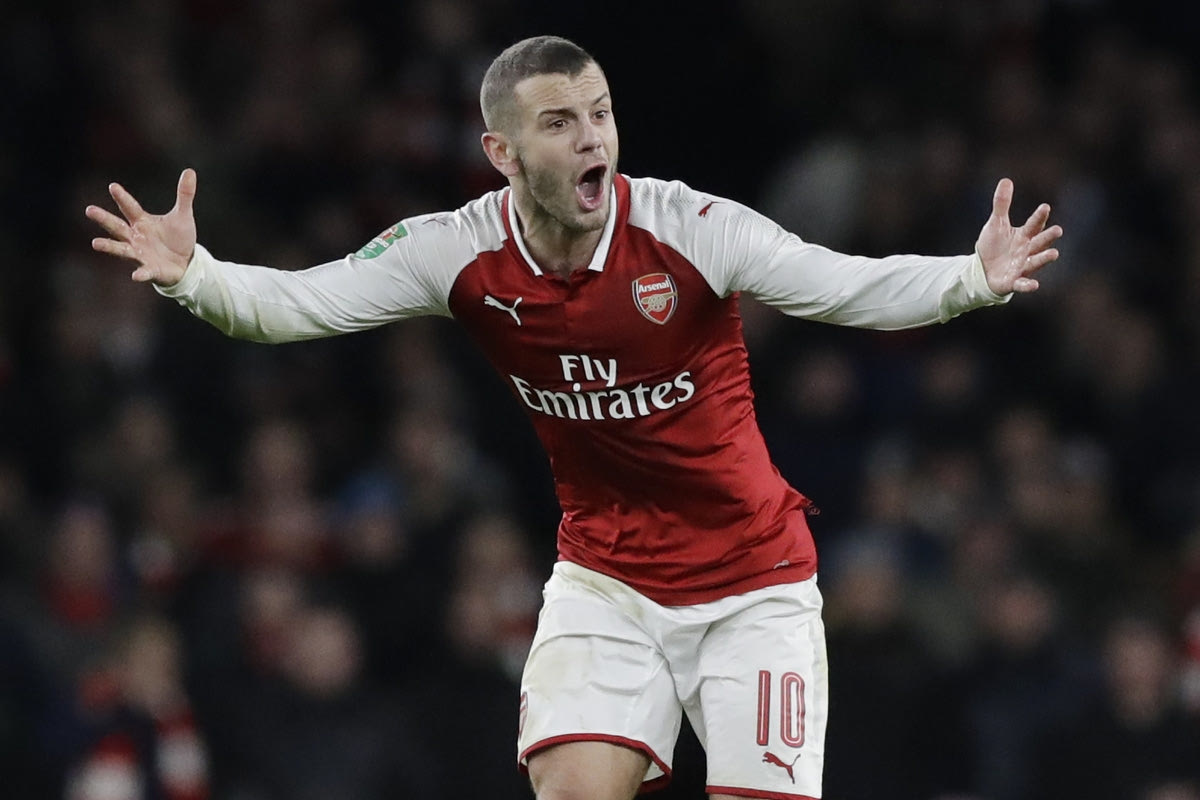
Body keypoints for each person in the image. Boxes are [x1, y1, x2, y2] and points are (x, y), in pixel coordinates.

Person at [86, 34, 1062, 800]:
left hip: (753, 586)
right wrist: (193, 275)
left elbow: (845, 285)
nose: (594, 138)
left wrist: (971, 277)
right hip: (609, 581)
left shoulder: (690, 229)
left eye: (600, 113)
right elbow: (299, 304)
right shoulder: (455, 252)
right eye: (560, 122)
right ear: (502, 153)